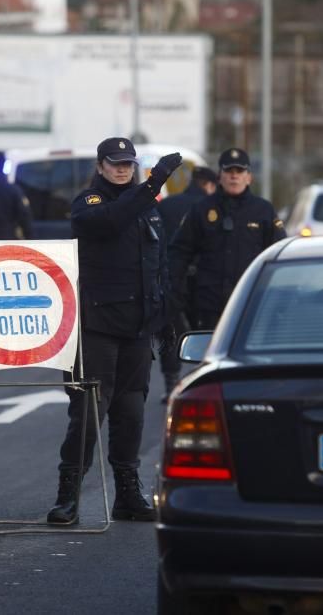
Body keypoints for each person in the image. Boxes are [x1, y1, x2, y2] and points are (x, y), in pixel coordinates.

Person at [47, 137, 182, 525]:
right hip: (97, 327)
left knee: (132, 413)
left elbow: (159, 265)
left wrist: (166, 314)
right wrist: (153, 184)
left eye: (128, 163)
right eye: (115, 163)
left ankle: (127, 494)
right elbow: (109, 222)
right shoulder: (90, 202)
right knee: (88, 413)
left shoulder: (148, 210)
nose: (122, 169)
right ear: (101, 165)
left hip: (138, 328)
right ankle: (67, 496)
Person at [169, 147, 287, 331]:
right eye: (229, 171)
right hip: (209, 305)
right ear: (219, 176)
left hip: (251, 302)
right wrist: (176, 294)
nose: (234, 176)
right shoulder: (201, 209)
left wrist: (278, 297)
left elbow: (279, 254)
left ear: (249, 177)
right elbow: (179, 253)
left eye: (239, 171)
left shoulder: (263, 211)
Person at [155, 166, 218, 400]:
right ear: (210, 185)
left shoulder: (167, 204)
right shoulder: (212, 207)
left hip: (169, 277)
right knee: (205, 332)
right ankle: (202, 383)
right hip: (204, 279)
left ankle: (171, 384)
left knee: (170, 331)